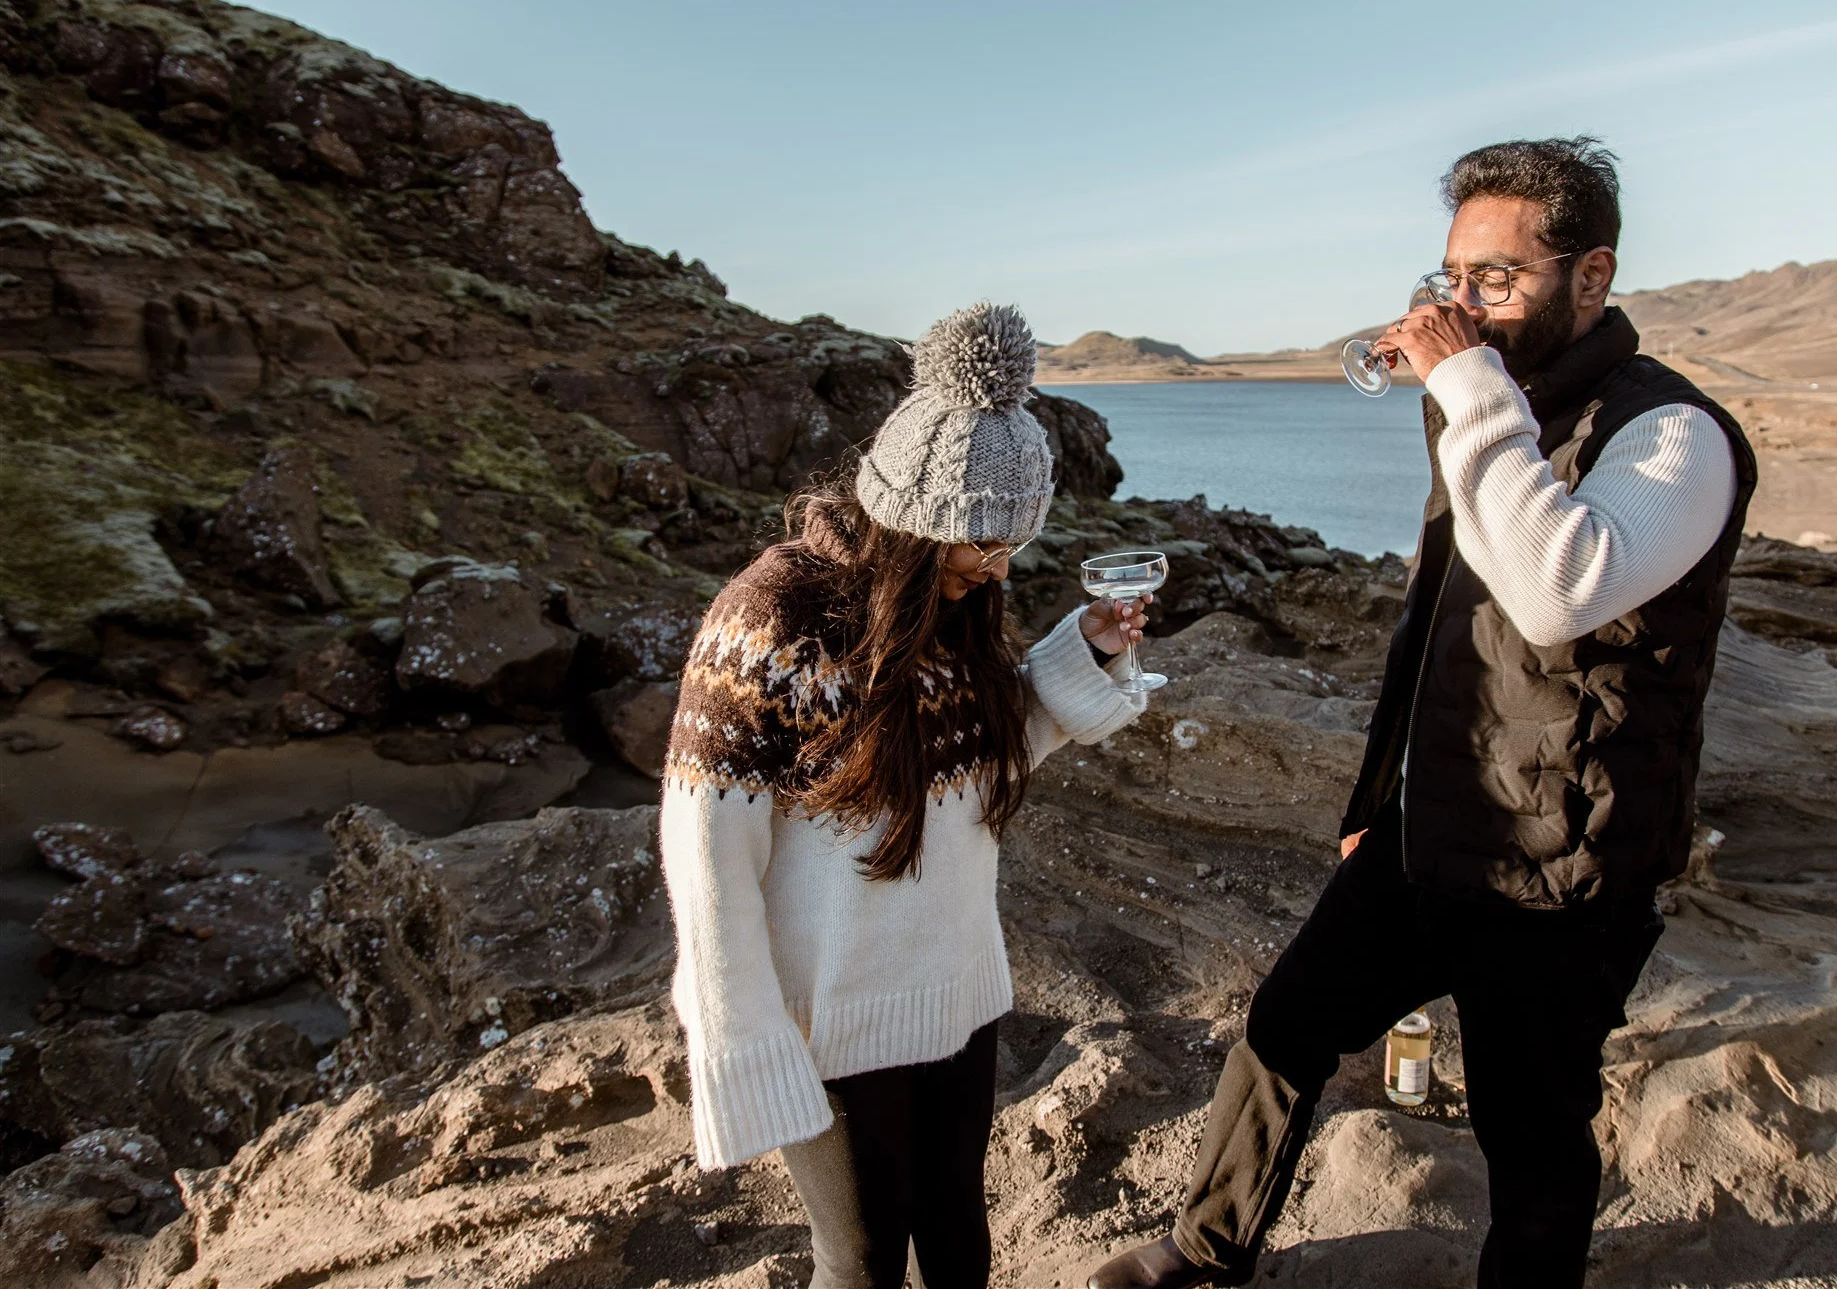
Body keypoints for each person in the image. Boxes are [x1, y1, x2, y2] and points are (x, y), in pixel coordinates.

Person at [1088, 137, 1757, 1289]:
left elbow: (1557, 592)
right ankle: (1204, 1255)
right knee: (1285, 1025)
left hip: (1566, 860)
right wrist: (1371, 803)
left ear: (1589, 277)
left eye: (1494, 281)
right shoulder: (1493, 412)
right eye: (1453, 279)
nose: (1463, 307)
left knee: (1529, 1125)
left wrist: (1465, 388)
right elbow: (1433, 624)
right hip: (1427, 828)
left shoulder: (1671, 436)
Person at [661, 301, 1150, 1289]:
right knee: (867, 1261)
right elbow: (705, 846)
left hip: (957, 992)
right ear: (917, 524)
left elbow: (972, 767)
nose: (1000, 565)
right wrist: (742, 1033)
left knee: (959, 1237)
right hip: (832, 1017)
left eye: (1013, 540)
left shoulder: (956, 612)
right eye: (981, 542)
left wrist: (1081, 653)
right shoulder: (776, 614)